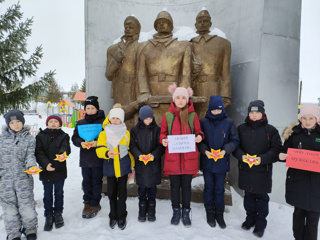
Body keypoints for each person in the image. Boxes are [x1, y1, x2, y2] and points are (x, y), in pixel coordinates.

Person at [233, 100, 282, 238]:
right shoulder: (241, 129)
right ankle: (250, 219)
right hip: (245, 170)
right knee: (248, 196)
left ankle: (260, 223)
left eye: (257, 112)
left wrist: (262, 159)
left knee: (261, 198)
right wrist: (242, 156)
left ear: (263, 114)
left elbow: (276, 150)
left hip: (262, 171)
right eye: (251, 112)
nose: (254, 115)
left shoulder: (271, 130)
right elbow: (235, 147)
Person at [137, 10, 192, 125]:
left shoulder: (182, 45)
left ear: (171, 26)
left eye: (165, 21)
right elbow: (141, 73)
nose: (161, 24)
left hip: (173, 89)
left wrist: (181, 94)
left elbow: (186, 72)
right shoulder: (145, 46)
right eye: (159, 22)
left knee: (174, 125)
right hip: (152, 90)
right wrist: (144, 92)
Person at [160, 84, 203, 227]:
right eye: (177, 97)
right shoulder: (167, 116)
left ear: (187, 99)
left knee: (186, 186)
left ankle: (186, 212)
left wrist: (199, 136)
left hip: (188, 158)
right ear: (173, 99)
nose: (180, 100)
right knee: (174, 187)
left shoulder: (193, 115)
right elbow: (163, 133)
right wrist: (163, 140)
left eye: (183, 97)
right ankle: (176, 211)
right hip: (173, 159)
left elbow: (199, 131)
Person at [279, 104, 320, 240]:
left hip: (316, 184)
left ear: (317, 119)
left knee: (313, 217)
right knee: (298, 215)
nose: (307, 121)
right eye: (304, 118)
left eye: (311, 118)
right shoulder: (293, 134)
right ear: (300, 119)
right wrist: (281, 156)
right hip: (297, 182)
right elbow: (284, 151)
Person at [198, 95, 239, 229]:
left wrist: (225, 150)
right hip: (208, 163)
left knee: (219, 189)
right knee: (209, 188)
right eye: (214, 110)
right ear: (210, 109)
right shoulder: (203, 122)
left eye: (219, 110)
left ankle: (219, 214)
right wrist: (205, 151)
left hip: (222, 163)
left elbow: (235, 140)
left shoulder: (228, 122)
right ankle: (210, 212)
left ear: (222, 109)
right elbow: (199, 141)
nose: (216, 112)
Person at [0, 110, 39, 240]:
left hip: (23, 178)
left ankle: (30, 229)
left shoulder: (28, 138)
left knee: (27, 205)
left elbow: (30, 155)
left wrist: (31, 166)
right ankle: (13, 233)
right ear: (8, 124)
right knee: (9, 207)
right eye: (12, 122)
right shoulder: (2, 139)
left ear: (22, 122)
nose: (16, 124)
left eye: (18, 121)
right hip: (5, 180)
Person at [96, 104, 134, 230]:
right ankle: (113, 215)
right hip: (110, 167)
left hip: (123, 167)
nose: (116, 121)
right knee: (112, 193)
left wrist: (132, 166)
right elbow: (99, 149)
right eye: (113, 118)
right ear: (110, 118)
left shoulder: (126, 133)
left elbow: (129, 151)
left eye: (118, 118)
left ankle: (122, 215)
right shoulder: (104, 133)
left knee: (122, 193)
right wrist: (107, 153)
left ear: (122, 120)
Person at [191, 10, 231, 119]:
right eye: (200, 21)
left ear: (210, 24)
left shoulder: (222, 43)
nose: (202, 23)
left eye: (205, 21)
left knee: (212, 118)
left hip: (213, 87)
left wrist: (225, 95)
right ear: (195, 25)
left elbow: (225, 71)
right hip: (194, 88)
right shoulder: (189, 44)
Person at [35, 114, 71, 231]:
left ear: (60, 124)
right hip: (46, 171)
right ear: (47, 123)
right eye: (51, 121)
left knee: (59, 193)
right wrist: (46, 164)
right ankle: (48, 216)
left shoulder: (64, 136)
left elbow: (66, 148)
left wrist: (61, 155)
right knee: (47, 194)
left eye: (56, 121)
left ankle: (58, 214)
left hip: (59, 169)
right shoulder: (41, 136)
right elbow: (39, 152)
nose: (53, 123)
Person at [72, 96, 105, 219]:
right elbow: (74, 137)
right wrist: (81, 142)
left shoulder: (103, 122)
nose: (90, 110)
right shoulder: (81, 123)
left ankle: (95, 203)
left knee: (96, 181)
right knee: (86, 181)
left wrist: (98, 142)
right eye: (88, 108)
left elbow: (108, 136)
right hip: (85, 158)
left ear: (97, 109)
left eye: (92, 108)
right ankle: (87, 202)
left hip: (98, 157)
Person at [105, 16, 141, 129]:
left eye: (131, 26)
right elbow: (108, 75)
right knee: (120, 119)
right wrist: (116, 60)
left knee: (136, 120)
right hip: (120, 91)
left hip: (136, 90)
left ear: (138, 30)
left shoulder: (142, 47)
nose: (128, 29)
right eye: (126, 26)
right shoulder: (113, 49)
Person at [130, 105, 165, 222]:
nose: (148, 121)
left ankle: (151, 212)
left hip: (153, 165)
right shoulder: (135, 131)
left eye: (150, 118)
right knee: (142, 190)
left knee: (152, 191)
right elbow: (132, 146)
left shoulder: (157, 130)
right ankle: (141, 211)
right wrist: (139, 155)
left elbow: (161, 146)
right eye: (146, 118)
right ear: (141, 118)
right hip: (141, 165)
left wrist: (153, 155)